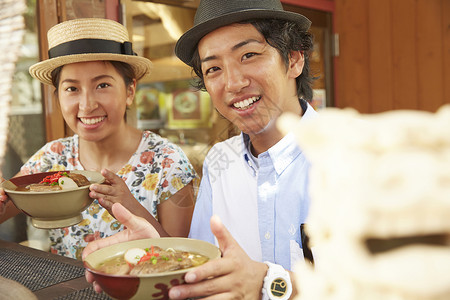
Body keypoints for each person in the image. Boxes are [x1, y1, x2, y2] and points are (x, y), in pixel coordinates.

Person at [84, 0, 317, 298]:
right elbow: (205, 268)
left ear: (294, 59)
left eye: (248, 55)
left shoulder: (361, 160)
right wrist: (160, 251)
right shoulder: (220, 160)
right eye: (214, 68)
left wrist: (267, 283)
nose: (233, 83)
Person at [0, 18, 198, 260]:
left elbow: (184, 260)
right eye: (72, 89)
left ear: (130, 91)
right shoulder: (53, 157)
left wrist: (130, 207)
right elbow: (7, 203)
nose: (87, 105)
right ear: (57, 98)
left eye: (102, 85)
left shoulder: (167, 162)